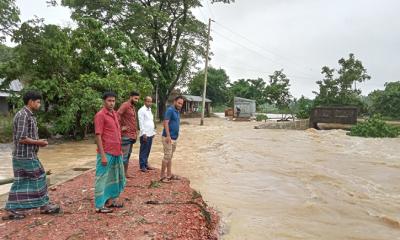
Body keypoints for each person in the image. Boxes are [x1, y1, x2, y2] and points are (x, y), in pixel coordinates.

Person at [2, 90, 60, 220]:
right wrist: (39, 142)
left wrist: (38, 142)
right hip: (24, 156)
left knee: (28, 179)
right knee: (36, 177)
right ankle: (38, 206)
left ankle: (36, 205)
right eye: (38, 102)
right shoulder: (23, 115)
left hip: (28, 154)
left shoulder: (29, 115)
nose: (40, 104)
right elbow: (21, 138)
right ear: (30, 102)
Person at [94, 91, 126, 213]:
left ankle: (110, 201)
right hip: (106, 152)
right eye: (109, 101)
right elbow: (98, 136)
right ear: (104, 101)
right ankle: (99, 205)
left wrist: (120, 149)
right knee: (101, 178)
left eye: (113, 101)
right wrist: (102, 156)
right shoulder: (100, 115)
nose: (111, 103)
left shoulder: (114, 114)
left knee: (114, 176)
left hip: (116, 151)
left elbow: (117, 132)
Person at [160, 96, 184, 182]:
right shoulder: (170, 110)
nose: (180, 105)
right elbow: (165, 123)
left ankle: (169, 174)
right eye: (179, 103)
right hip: (168, 137)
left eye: (181, 104)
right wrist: (168, 136)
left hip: (174, 138)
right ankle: (162, 176)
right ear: (174, 101)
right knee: (167, 156)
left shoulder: (177, 111)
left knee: (170, 157)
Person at [117, 91, 139, 178]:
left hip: (132, 136)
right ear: (130, 97)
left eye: (137, 99)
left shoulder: (132, 107)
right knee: (123, 157)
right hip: (125, 135)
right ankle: (120, 176)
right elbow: (117, 114)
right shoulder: (125, 105)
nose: (137, 100)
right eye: (135, 98)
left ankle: (125, 174)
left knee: (128, 156)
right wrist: (120, 127)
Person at [138, 96, 156, 172]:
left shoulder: (150, 110)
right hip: (145, 134)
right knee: (143, 150)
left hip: (150, 133)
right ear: (144, 101)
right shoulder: (141, 110)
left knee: (148, 149)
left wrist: (153, 131)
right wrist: (143, 133)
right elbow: (141, 122)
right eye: (148, 101)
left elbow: (150, 121)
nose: (149, 103)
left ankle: (146, 164)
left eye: (150, 101)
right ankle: (142, 166)